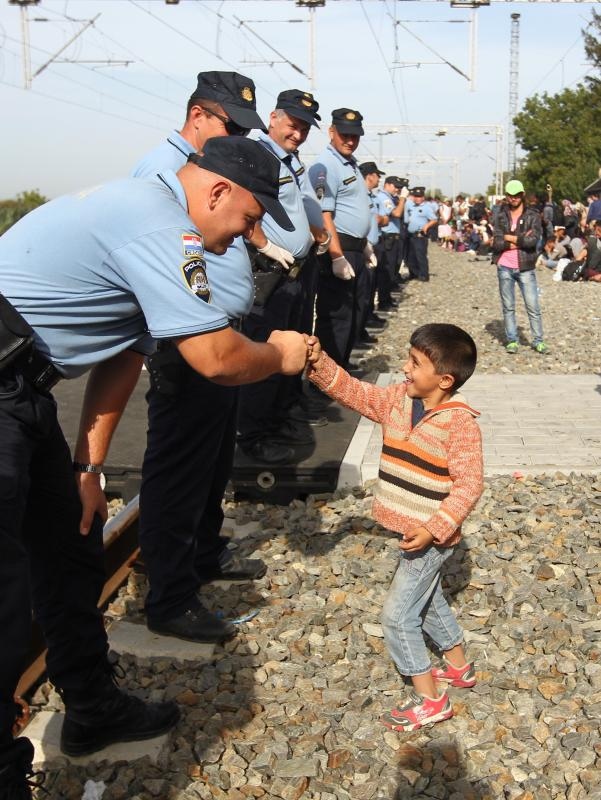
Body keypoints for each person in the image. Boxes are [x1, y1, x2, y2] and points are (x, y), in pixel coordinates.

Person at [0, 136, 308, 793]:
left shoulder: (156, 219)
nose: (251, 236)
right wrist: (279, 356)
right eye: (251, 218)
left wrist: (87, 467)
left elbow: (126, 350)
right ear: (217, 191)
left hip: (20, 389)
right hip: (3, 389)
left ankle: (91, 708)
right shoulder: (165, 228)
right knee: (4, 592)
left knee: (68, 548)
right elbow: (218, 359)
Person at [132, 71, 269, 645]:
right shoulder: (160, 173)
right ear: (198, 117)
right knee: (179, 468)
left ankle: (203, 553)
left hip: (218, 332)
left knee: (210, 461)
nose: (238, 136)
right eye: (231, 125)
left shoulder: (216, 172)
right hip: (187, 343)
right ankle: (170, 594)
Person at [305, 323, 483, 731]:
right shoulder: (397, 400)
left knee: (398, 617)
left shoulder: (459, 425)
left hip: (431, 537)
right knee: (430, 596)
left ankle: (431, 699)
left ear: (444, 380)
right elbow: (352, 391)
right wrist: (318, 362)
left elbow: (469, 485)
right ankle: (458, 666)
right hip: (409, 530)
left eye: (414, 363)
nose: (405, 368)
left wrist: (435, 529)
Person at [237, 89, 329, 464]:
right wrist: (264, 245)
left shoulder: (287, 159)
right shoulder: (258, 153)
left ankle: (278, 418)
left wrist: (312, 237)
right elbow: (242, 207)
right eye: (293, 123)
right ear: (273, 117)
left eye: (305, 127)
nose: (298, 132)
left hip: (292, 271)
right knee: (267, 355)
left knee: (289, 351)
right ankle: (253, 436)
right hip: (268, 272)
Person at [308, 108, 371, 367]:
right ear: (331, 132)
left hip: (354, 250)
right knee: (336, 317)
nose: (350, 140)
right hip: (340, 250)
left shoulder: (350, 163)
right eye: (344, 134)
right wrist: (336, 256)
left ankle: (340, 368)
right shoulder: (326, 165)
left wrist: (364, 245)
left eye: (355, 136)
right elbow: (324, 215)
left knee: (354, 313)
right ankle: (326, 380)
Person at [492, 179, 547, 354]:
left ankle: (538, 340)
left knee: (533, 306)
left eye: (516, 195)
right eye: (510, 195)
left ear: (522, 195)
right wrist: (520, 240)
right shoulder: (500, 216)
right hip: (504, 266)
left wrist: (510, 238)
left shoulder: (532, 215)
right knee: (508, 306)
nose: (513, 198)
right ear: (506, 196)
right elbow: (497, 243)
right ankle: (512, 340)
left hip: (525, 266)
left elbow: (533, 241)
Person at [375, 176, 408, 310]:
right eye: (395, 187)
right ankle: (384, 301)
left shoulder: (389, 197)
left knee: (392, 269)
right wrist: (403, 198)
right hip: (387, 237)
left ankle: (386, 298)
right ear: (387, 185)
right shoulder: (384, 198)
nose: (397, 190)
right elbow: (397, 213)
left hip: (392, 237)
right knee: (386, 271)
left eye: (399, 188)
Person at [403, 186, 438, 282]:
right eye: (416, 196)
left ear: (423, 197)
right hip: (411, 235)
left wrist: (427, 226)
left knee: (420, 255)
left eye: (419, 196)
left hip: (420, 235)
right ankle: (413, 273)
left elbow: (434, 219)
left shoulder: (427, 207)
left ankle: (424, 275)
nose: (417, 198)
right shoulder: (411, 205)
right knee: (410, 256)